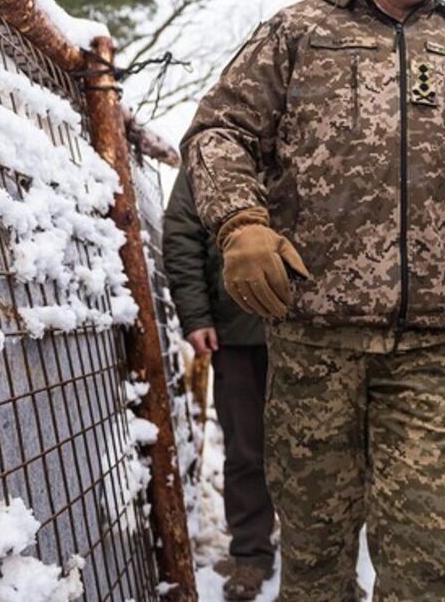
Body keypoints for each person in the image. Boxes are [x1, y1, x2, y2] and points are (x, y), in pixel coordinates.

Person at [181, 0, 445, 601]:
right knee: (315, 569)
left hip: (435, 352)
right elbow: (217, 133)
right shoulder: (299, 34)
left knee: (421, 573)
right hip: (315, 342)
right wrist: (240, 223)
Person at [163, 171, 276, 601]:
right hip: (238, 328)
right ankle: (250, 553)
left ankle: (325, 563)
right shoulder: (214, 143)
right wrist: (198, 316)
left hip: (317, 327)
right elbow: (182, 234)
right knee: (247, 450)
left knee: (329, 449)